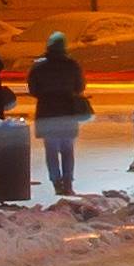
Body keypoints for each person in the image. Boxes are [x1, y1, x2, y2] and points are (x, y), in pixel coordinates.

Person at [27, 30, 91, 198]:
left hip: (47, 112)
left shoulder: (38, 66)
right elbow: (79, 87)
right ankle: (68, 183)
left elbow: (33, 90)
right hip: (67, 112)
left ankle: (56, 183)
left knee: (51, 150)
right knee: (67, 150)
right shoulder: (72, 65)